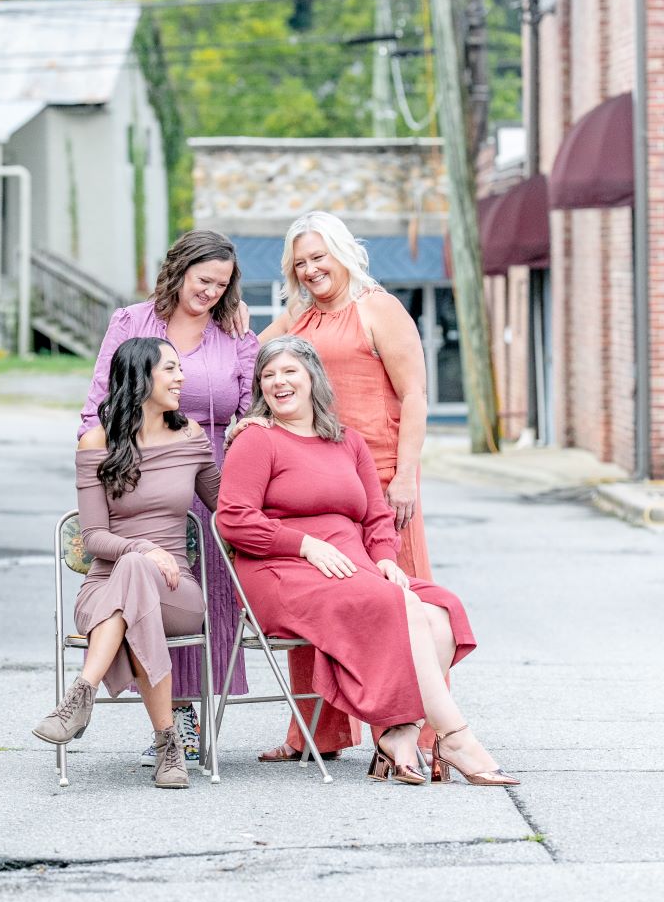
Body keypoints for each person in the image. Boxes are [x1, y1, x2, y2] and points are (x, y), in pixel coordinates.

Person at [217, 337, 518, 788]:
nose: (279, 382)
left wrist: (384, 558)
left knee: (439, 608)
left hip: (352, 566)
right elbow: (234, 520)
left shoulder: (346, 441)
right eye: (268, 375)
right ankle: (454, 736)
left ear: (313, 378)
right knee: (403, 607)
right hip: (280, 570)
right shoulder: (257, 440)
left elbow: (377, 517)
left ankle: (401, 732)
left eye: (289, 371)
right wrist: (304, 545)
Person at [254, 211, 434, 762]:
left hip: (379, 480)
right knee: (320, 607)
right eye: (299, 263)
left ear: (343, 253)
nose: (310, 270)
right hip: (314, 487)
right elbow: (251, 362)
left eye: (318, 257)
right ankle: (316, 733)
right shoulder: (298, 319)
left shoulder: (376, 307)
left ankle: (419, 735)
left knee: (400, 605)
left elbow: (415, 395)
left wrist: (406, 477)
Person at [80, 230, 257, 765]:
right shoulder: (133, 323)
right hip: (140, 480)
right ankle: (169, 725)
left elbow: (252, 411)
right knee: (142, 583)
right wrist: (109, 469)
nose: (210, 292)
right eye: (204, 280)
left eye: (222, 285)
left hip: (212, 477)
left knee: (207, 601)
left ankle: (186, 718)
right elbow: (98, 406)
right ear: (178, 269)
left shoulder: (235, 334)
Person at [33, 337, 221, 789]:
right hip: (104, 589)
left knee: (139, 574)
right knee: (135, 572)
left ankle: (80, 696)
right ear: (140, 378)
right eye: (171, 369)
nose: (181, 378)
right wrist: (141, 549)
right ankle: (168, 747)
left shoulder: (191, 436)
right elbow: (94, 537)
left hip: (177, 590)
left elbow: (227, 509)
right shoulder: (96, 442)